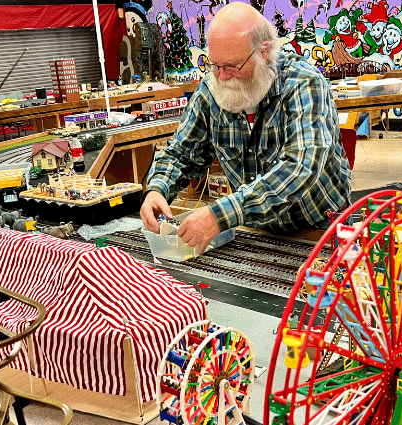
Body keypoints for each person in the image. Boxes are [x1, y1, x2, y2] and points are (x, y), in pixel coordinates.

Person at [140, 2, 352, 254]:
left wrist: (221, 215)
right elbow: (180, 154)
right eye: (214, 65)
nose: (222, 76)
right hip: (254, 233)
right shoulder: (212, 91)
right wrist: (157, 189)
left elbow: (299, 168)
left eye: (231, 66)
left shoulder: (304, 84)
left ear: (263, 52)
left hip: (319, 231)